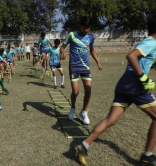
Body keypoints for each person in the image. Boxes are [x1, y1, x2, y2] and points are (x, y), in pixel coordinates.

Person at [74, 17, 156, 166]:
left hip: (124, 84)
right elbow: (131, 56)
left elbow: (140, 59)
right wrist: (143, 77)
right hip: (135, 86)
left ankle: (83, 146)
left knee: (111, 120)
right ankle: (147, 156)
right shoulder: (151, 42)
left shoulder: (149, 42)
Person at [60, 16, 103, 124]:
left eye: (88, 28)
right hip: (74, 67)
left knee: (88, 91)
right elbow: (62, 47)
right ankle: (73, 108)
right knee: (75, 92)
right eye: (84, 28)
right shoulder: (72, 35)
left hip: (85, 67)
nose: (86, 30)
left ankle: (83, 112)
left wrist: (98, 62)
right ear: (79, 26)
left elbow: (92, 50)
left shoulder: (91, 36)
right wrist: (63, 53)